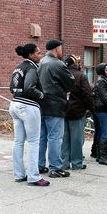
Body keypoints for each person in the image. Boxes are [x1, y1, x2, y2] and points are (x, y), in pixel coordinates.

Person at [8, 44, 50, 186]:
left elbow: (11, 87)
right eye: (38, 53)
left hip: (14, 104)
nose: (40, 55)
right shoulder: (32, 67)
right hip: (28, 106)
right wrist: (42, 94)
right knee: (33, 142)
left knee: (18, 141)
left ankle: (19, 174)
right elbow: (29, 87)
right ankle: (34, 176)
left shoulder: (18, 67)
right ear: (31, 55)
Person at [38, 39, 74, 178]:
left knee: (42, 137)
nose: (61, 51)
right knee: (55, 137)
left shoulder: (41, 62)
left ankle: (39, 165)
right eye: (60, 48)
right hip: (55, 104)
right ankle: (55, 167)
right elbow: (70, 82)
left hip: (42, 104)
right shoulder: (58, 64)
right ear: (56, 49)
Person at [61, 55, 94, 170]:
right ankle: (76, 163)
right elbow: (87, 94)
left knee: (64, 139)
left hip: (63, 110)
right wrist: (90, 108)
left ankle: (64, 163)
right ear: (75, 64)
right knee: (76, 139)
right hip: (78, 112)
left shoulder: (61, 75)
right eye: (79, 62)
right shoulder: (81, 76)